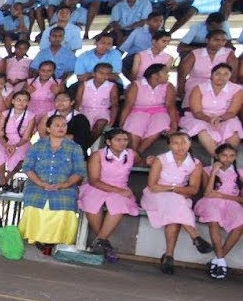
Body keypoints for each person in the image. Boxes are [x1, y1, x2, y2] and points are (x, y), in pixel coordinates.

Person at [140, 131, 214, 274]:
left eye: (183, 142)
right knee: (176, 203)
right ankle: (196, 237)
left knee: (174, 218)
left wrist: (174, 190)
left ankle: (169, 257)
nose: (180, 146)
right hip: (155, 197)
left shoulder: (195, 163)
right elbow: (153, 186)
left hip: (177, 199)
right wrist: (176, 189)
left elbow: (193, 190)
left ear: (190, 143)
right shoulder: (160, 159)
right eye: (175, 143)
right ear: (169, 145)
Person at [19, 114, 87, 256]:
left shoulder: (74, 148)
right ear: (48, 128)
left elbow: (80, 171)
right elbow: (27, 167)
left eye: (64, 125)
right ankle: (36, 238)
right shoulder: (38, 145)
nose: (61, 128)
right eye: (57, 125)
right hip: (37, 184)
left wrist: (65, 184)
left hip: (65, 186)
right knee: (34, 199)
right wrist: (40, 182)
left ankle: (54, 241)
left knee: (65, 200)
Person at [78, 129, 140, 263]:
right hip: (98, 185)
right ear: (108, 142)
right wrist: (116, 190)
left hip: (121, 187)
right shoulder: (97, 155)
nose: (122, 143)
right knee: (90, 202)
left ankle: (99, 242)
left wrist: (151, 160)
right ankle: (104, 243)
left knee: (119, 204)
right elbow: (94, 180)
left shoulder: (131, 154)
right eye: (118, 140)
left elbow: (142, 162)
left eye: (125, 140)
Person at [195, 143, 243, 279]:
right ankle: (221, 262)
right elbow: (207, 193)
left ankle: (218, 259)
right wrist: (214, 173)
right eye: (224, 155)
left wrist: (223, 196)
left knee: (240, 223)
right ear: (216, 155)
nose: (228, 159)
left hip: (232, 202)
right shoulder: (207, 170)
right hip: (210, 202)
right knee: (213, 219)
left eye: (232, 156)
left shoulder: (239, 173)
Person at [179, 63, 243, 157]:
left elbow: (232, 112)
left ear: (230, 76)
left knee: (234, 130)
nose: (221, 77)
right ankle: (218, 158)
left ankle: (228, 158)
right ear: (211, 75)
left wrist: (219, 118)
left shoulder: (237, 89)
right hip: (201, 117)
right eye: (218, 74)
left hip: (225, 117)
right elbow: (197, 112)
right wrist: (209, 119)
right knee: (202, 130)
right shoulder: (199, 88)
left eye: (226, 74)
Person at [119, 63, 178, 157]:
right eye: (165, 73)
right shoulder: (136, 85)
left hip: (160, 111)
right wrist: (121, 124)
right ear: (155, 75)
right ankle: (134, 153)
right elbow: (128, 105)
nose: (168, 75)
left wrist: (174, 126)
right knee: (134, 125)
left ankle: (137, 153)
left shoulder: (168, 86)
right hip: (138, 110)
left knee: (160, 124)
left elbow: (171, 106)